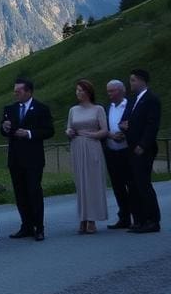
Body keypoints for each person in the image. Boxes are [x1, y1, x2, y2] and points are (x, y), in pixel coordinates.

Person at [0, 77, 54, 240]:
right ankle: (26, 225)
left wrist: (29, 133)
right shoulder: (10, 108)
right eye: (15, 91)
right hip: (15, 158)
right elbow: (3, 130)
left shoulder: (41, 108)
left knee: (34, 191)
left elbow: (49, 131)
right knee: (20, 193)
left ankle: (39, 227)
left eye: (19, 91)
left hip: (33, 158)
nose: (15, 94)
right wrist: (4, 127)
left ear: (28, 92)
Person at [120, 69, 162, 233]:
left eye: (133, 80)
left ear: (142, 81)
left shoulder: (151, 99)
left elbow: (152, 125)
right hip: (130, 147)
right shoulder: (132, 101)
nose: (131, 83)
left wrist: (143, 145)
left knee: (144, 184)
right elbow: (125, 121)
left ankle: (153, 220)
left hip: (142, 149)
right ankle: (140, 219)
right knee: (134, 184)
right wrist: (124, 126)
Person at [64, 79, 109, 233]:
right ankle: (83, 217)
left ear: (88, 92)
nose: (78, 93)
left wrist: (92, 135)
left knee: (92, 183)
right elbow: (69, 127)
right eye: (77, 90)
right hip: (77, 146)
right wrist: (69, 132)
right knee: (81, 183)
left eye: (81, 90)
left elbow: (105, 130)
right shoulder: (73, 110)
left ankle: (92, 219)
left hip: (92, 146)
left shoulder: (98, 109)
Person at [102, 79, 133, 229]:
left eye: (112, 91)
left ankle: (138, 215)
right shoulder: (108, 108)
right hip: (112, 151)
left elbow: (136, 124)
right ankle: (124, 216)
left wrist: (126, 132)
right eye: (108, 91)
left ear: (121, 91)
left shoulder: (130, 106)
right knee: (117, 186)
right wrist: (110, 135)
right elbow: (104, 127)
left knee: (131, 184)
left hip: (127, 151)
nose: (109, 94)